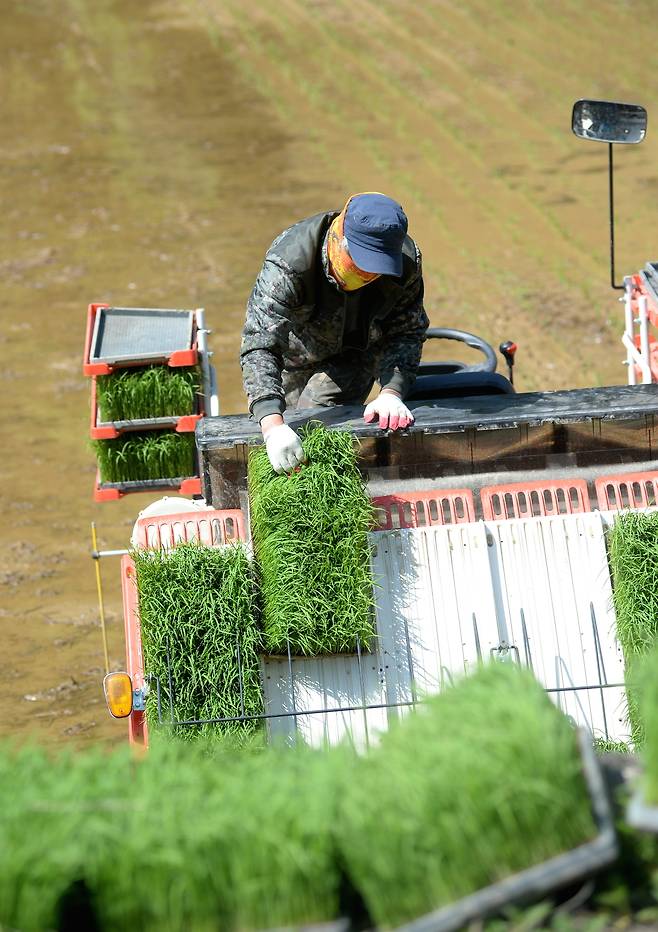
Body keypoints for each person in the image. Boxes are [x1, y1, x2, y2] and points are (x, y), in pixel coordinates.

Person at [240, 192, 429, 474]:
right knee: (282, 438)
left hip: (357, 353)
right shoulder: (290, 262)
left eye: (376, 268)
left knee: (315, 426)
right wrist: (272, 424)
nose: (367, 274)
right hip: (295, 355)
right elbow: (260, 344)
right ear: (339, 236)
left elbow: (407, 330)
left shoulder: (405, 264)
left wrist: (392, 392)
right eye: (360, 261)